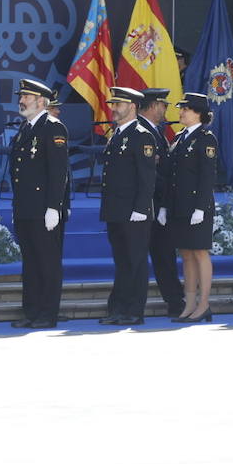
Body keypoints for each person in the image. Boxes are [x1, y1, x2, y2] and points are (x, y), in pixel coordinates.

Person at [9, 78, 69, 328]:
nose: (21, 101)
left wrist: (54, 207)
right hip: (26, 207)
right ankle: (31, 311)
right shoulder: (26, 128)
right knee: (31, 263)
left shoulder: (53, 127)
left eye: (27, 97)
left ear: (41, 101)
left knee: (47, 262)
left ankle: (47, 313)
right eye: (21, 96)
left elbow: (58, 172)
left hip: (45, 209)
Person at [98, 87, 157, 325]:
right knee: (122, 261)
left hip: (134, 211)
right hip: (117, 209)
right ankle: (118, 308)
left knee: (135, 260)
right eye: (113, 104)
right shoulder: (117, 134)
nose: (113, 108)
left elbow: (146, 177)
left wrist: (141, 209)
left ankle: (134, 310)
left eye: (118, 104)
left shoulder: (142, 135)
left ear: (132, 106)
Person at [164, 93, 217, 322]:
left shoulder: (206, 138)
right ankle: (190, 302)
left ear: (199, 114)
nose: (182, 112)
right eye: (182, 108)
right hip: (180, 205)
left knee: (200, 252)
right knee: (186, 254)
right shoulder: (179, 137)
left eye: (186, 109)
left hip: (197, 205)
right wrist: (166, 206)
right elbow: (171, 175)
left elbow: (207, 176)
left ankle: (204, 303)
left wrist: (201, 207)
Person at [141, 88, 186, 318]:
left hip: (160, 204)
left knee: (164, 256)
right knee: (158, 256)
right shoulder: (143, 132)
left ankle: (175, 300)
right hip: (149, 203)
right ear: (152, 106)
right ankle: (175, 300)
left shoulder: (156, 131)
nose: (166, 109)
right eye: (163, 105)